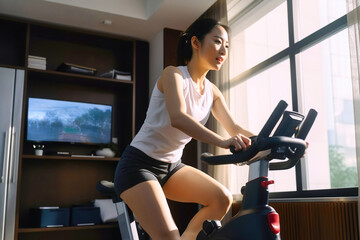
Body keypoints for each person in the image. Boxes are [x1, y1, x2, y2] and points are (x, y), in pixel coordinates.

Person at [114, 18, 254, 240]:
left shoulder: (212, 91)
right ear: (196, 43)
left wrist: (271, 141)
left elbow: (235, 127)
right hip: (138, 165)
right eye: (217, 42)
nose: (223, 50)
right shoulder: (174, 75)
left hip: (172, 168)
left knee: (222, 199)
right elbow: (178, 118)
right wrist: (222, 141)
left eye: (226, 45)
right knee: (168, 236)